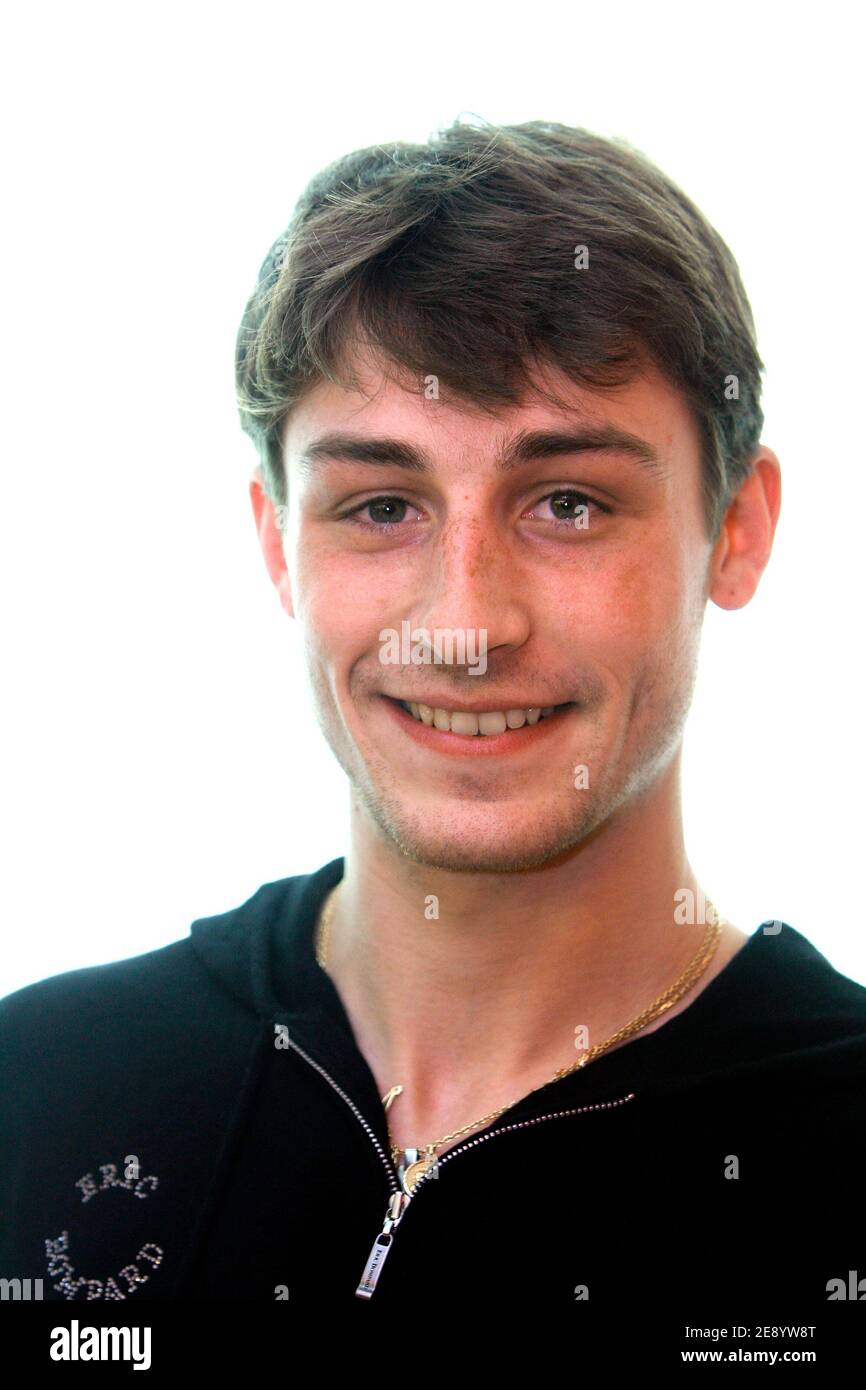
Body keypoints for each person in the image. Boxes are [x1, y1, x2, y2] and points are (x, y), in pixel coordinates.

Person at [2, 121, 864, 1349]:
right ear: (275, 541)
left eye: (566, 503)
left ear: (735, 528)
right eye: (382, 505)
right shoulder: (38, 1088)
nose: (463, 625)